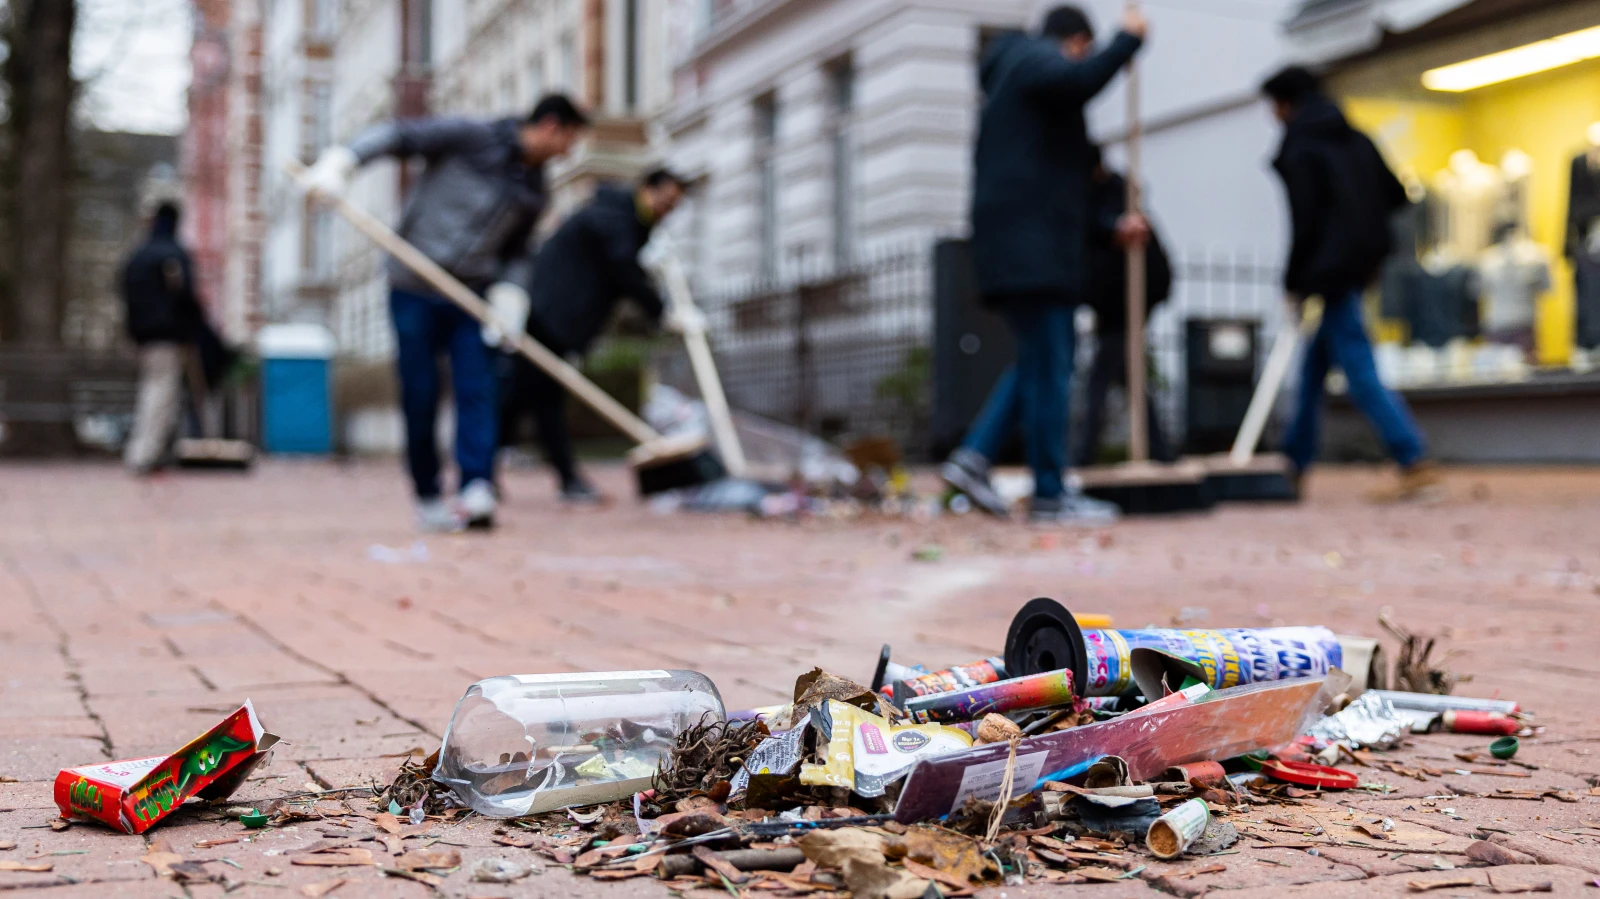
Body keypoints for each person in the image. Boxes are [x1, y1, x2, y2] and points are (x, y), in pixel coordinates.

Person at [302, 94, 589, 531]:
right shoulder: (472, 138)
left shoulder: (534, 190)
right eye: (569, 141)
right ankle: (428, 494)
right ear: (551, 126)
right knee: (420, 393)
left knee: (478, 389)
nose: (568, 152)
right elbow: (395, 136)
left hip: (470, 296)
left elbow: (517, 252)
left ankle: (476, 486)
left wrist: (511, 294)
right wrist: (344, 162)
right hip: (412, 286)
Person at [940, 4, 1146, 524]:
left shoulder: (1016, 87)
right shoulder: (1034, 60)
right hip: (1035, 251)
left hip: (1019, 244)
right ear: (1075, 42)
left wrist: (1108, 226)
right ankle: (1051, 492)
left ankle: (975, 456)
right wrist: (1127, 40)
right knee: (1053, 362)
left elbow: (1055, 180)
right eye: (1084, 51)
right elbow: (1080, 81)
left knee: (1038, 359)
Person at [1261, 66, 1438, 500]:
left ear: (1285, 103)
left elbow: (1305, 221)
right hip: (1358, 264)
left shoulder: (1301, 145)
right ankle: (1295, 463)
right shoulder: (1356, 138)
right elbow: (1396, 194)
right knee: (1314, 367)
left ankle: (1411, 456)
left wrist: (1294, 280)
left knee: (1358, 366)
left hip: (1329, 270)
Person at [493, 168, 689, 502]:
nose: (666, 210)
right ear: (647, 189)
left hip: (552, 315)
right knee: (540, 397)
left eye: (673, 206)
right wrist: (661, 310)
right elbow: (623, 269)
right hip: (550, 315)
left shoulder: (624, 219)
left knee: (524, 395)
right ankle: (560, 479)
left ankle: (486, 470)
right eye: (666, 200)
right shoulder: (615, 218)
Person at [1077, 145, 1175, 467]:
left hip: (1125, 304)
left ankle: (1084, 455)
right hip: (1115, 305)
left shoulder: (1116, 200)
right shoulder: (1105, 199)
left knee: (1100, 380)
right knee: (1130, 378)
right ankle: (1161, 451)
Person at [120, 201, 203, 474]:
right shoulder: (172, 254)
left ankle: (151, 451)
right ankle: (144, 453)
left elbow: (125, 291)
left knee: (154, 389)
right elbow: (185, 296)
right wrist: (191, 329)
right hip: (166, 334)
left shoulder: (139, 254)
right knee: (160, 392)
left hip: (142, 335)